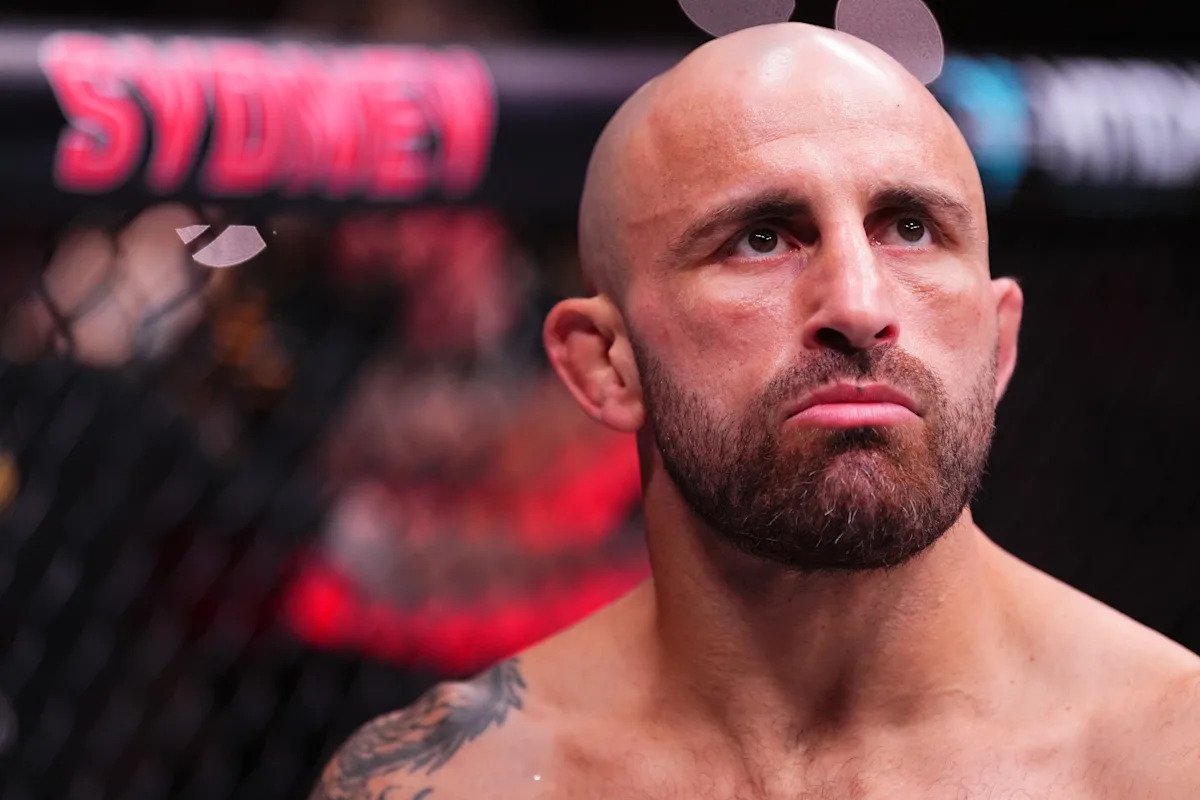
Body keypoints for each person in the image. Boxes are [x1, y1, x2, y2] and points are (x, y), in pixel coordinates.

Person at [310, 22, 1200, 800]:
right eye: (761, 239)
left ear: (998, 342)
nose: (858, 305)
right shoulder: (449, 780)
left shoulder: (1169, 754)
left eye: (911, 228)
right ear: (605, 363)